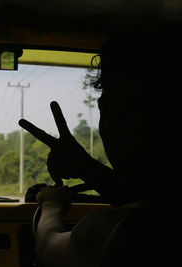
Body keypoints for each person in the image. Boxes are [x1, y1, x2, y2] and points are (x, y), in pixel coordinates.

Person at [19, 30, 181, 267]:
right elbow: (147, 196)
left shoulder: (122, 230)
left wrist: (51, 205)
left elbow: (48, 247)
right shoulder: (165, 208)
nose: (109, 124)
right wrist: (84, 166)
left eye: (111, 108)